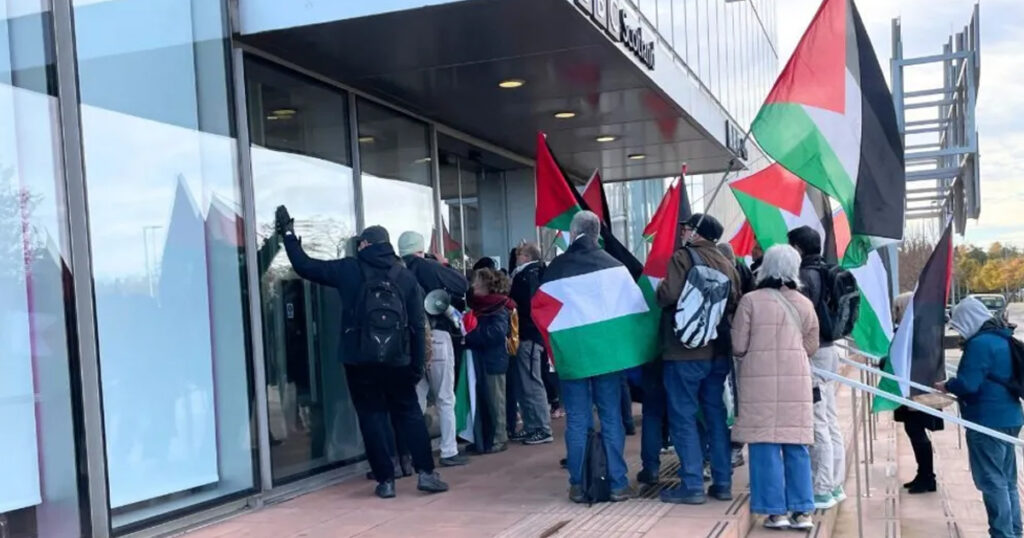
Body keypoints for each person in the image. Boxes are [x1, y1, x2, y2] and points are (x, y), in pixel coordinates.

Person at [275, 208, 448, 499]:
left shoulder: (349, 269)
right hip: (399, 360)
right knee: (410, 415)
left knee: (372, 416)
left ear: (365, 245)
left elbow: (305, 266)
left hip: (360, 359)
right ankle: (426, 474)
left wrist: (289, 235)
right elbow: (419, 326)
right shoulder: (405, 278)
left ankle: (386, 480)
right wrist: (417, 365)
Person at [547, 211, 633, 503]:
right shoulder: (615, 267)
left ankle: (577, 484)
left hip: (573, 357)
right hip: (607, 357)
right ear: (597, 233)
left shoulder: (557, 267)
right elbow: (633, 311)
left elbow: (542, 311)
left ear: (573, 233)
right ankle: (618, 484)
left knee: (577, 419)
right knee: (611, 416)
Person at [656, 213, 742, 504]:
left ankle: (692, 485)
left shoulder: (683, 258)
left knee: (683, 417)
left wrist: (658, 288)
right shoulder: (728, 263)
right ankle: (723, 482)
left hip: (683, 352)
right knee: (716, 417)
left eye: (687, 228)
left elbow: (668, 294)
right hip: (717, 353)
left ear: (697, 233)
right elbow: (733, 302)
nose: (683, 232)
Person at [731, 244, 818, 531]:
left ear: (765, 266)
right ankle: (802, 510)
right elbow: (811, 346)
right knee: (796, 444)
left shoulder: (750, 301)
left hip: (759, 383)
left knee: (764, 444)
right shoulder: (805, 304)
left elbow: (738, 346)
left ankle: (774, 512)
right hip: (796, 381)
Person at [936, 297, 1023, 538]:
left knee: (992, 481)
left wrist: (947, 385)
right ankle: (1014, 531)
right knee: (1007, 481)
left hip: (987, 419)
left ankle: (1002, 533)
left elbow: (968, 384)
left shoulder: (980, 344)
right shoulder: (1002, 337)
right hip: (1011, 416)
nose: (959, 330)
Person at [398, 231, 470, 467]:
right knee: (445, 397)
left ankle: (414, 453)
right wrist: (443, 264)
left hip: (409, 341)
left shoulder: (396, 270)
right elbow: (462, 284)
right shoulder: (429, 266)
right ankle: (449, 451)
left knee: (416, 399)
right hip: (437, 336)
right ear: (420, 249)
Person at [787, 226, 847, 508]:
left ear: (797, 248)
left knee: (817, 419)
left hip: (814, 352)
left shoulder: (804, 277)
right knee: (829, 417)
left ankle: (821, 487)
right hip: (830, 348)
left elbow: (801, 319)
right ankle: (835, 483)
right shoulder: (828, 269)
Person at [890, 292, 943, 493]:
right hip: (914, 388)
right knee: (915, 432)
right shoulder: (921, 330)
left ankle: (927, 476)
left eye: (897, 309)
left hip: (915, 390)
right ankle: (924, 474)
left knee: (916, 432)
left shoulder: (914, 332)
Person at [464, 267, 515, 454]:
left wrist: (471, 335)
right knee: (491, 399)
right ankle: (489, 437)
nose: (473, 286)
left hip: (493, 359)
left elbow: (496, 333)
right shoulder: (488, 305)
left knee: (496, 400)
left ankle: (499, 438)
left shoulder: (496, 307)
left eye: (476, 282)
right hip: (488, 358)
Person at [509, 242, 554, 445]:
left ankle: (541, 428)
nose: (517, 257)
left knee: (531, 381)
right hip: (529, 334)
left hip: (528, 334)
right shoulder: (535, 273)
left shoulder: (529, 275)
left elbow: (530, 304)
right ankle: (531, 426)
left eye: (519, 254)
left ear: (526, 256)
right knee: (526, 382)